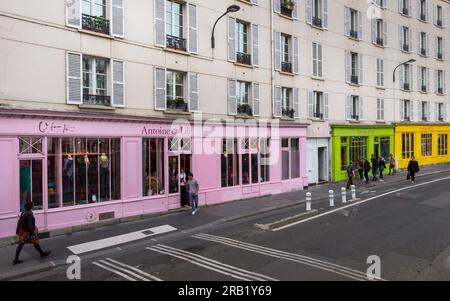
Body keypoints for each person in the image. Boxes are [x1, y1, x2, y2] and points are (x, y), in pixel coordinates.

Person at [13, 201, 51, 265]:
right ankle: (16, 260)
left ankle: (42, 254)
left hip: (22, 231)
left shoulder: (23, 212)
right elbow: (29, 226)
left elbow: (19, 222)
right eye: (33, 205)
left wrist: (18, 230)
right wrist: (32, 233)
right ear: (30, 207)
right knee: (23, 244)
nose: (33, 206)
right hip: (26, 232)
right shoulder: (29, 215)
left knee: (33, 242)